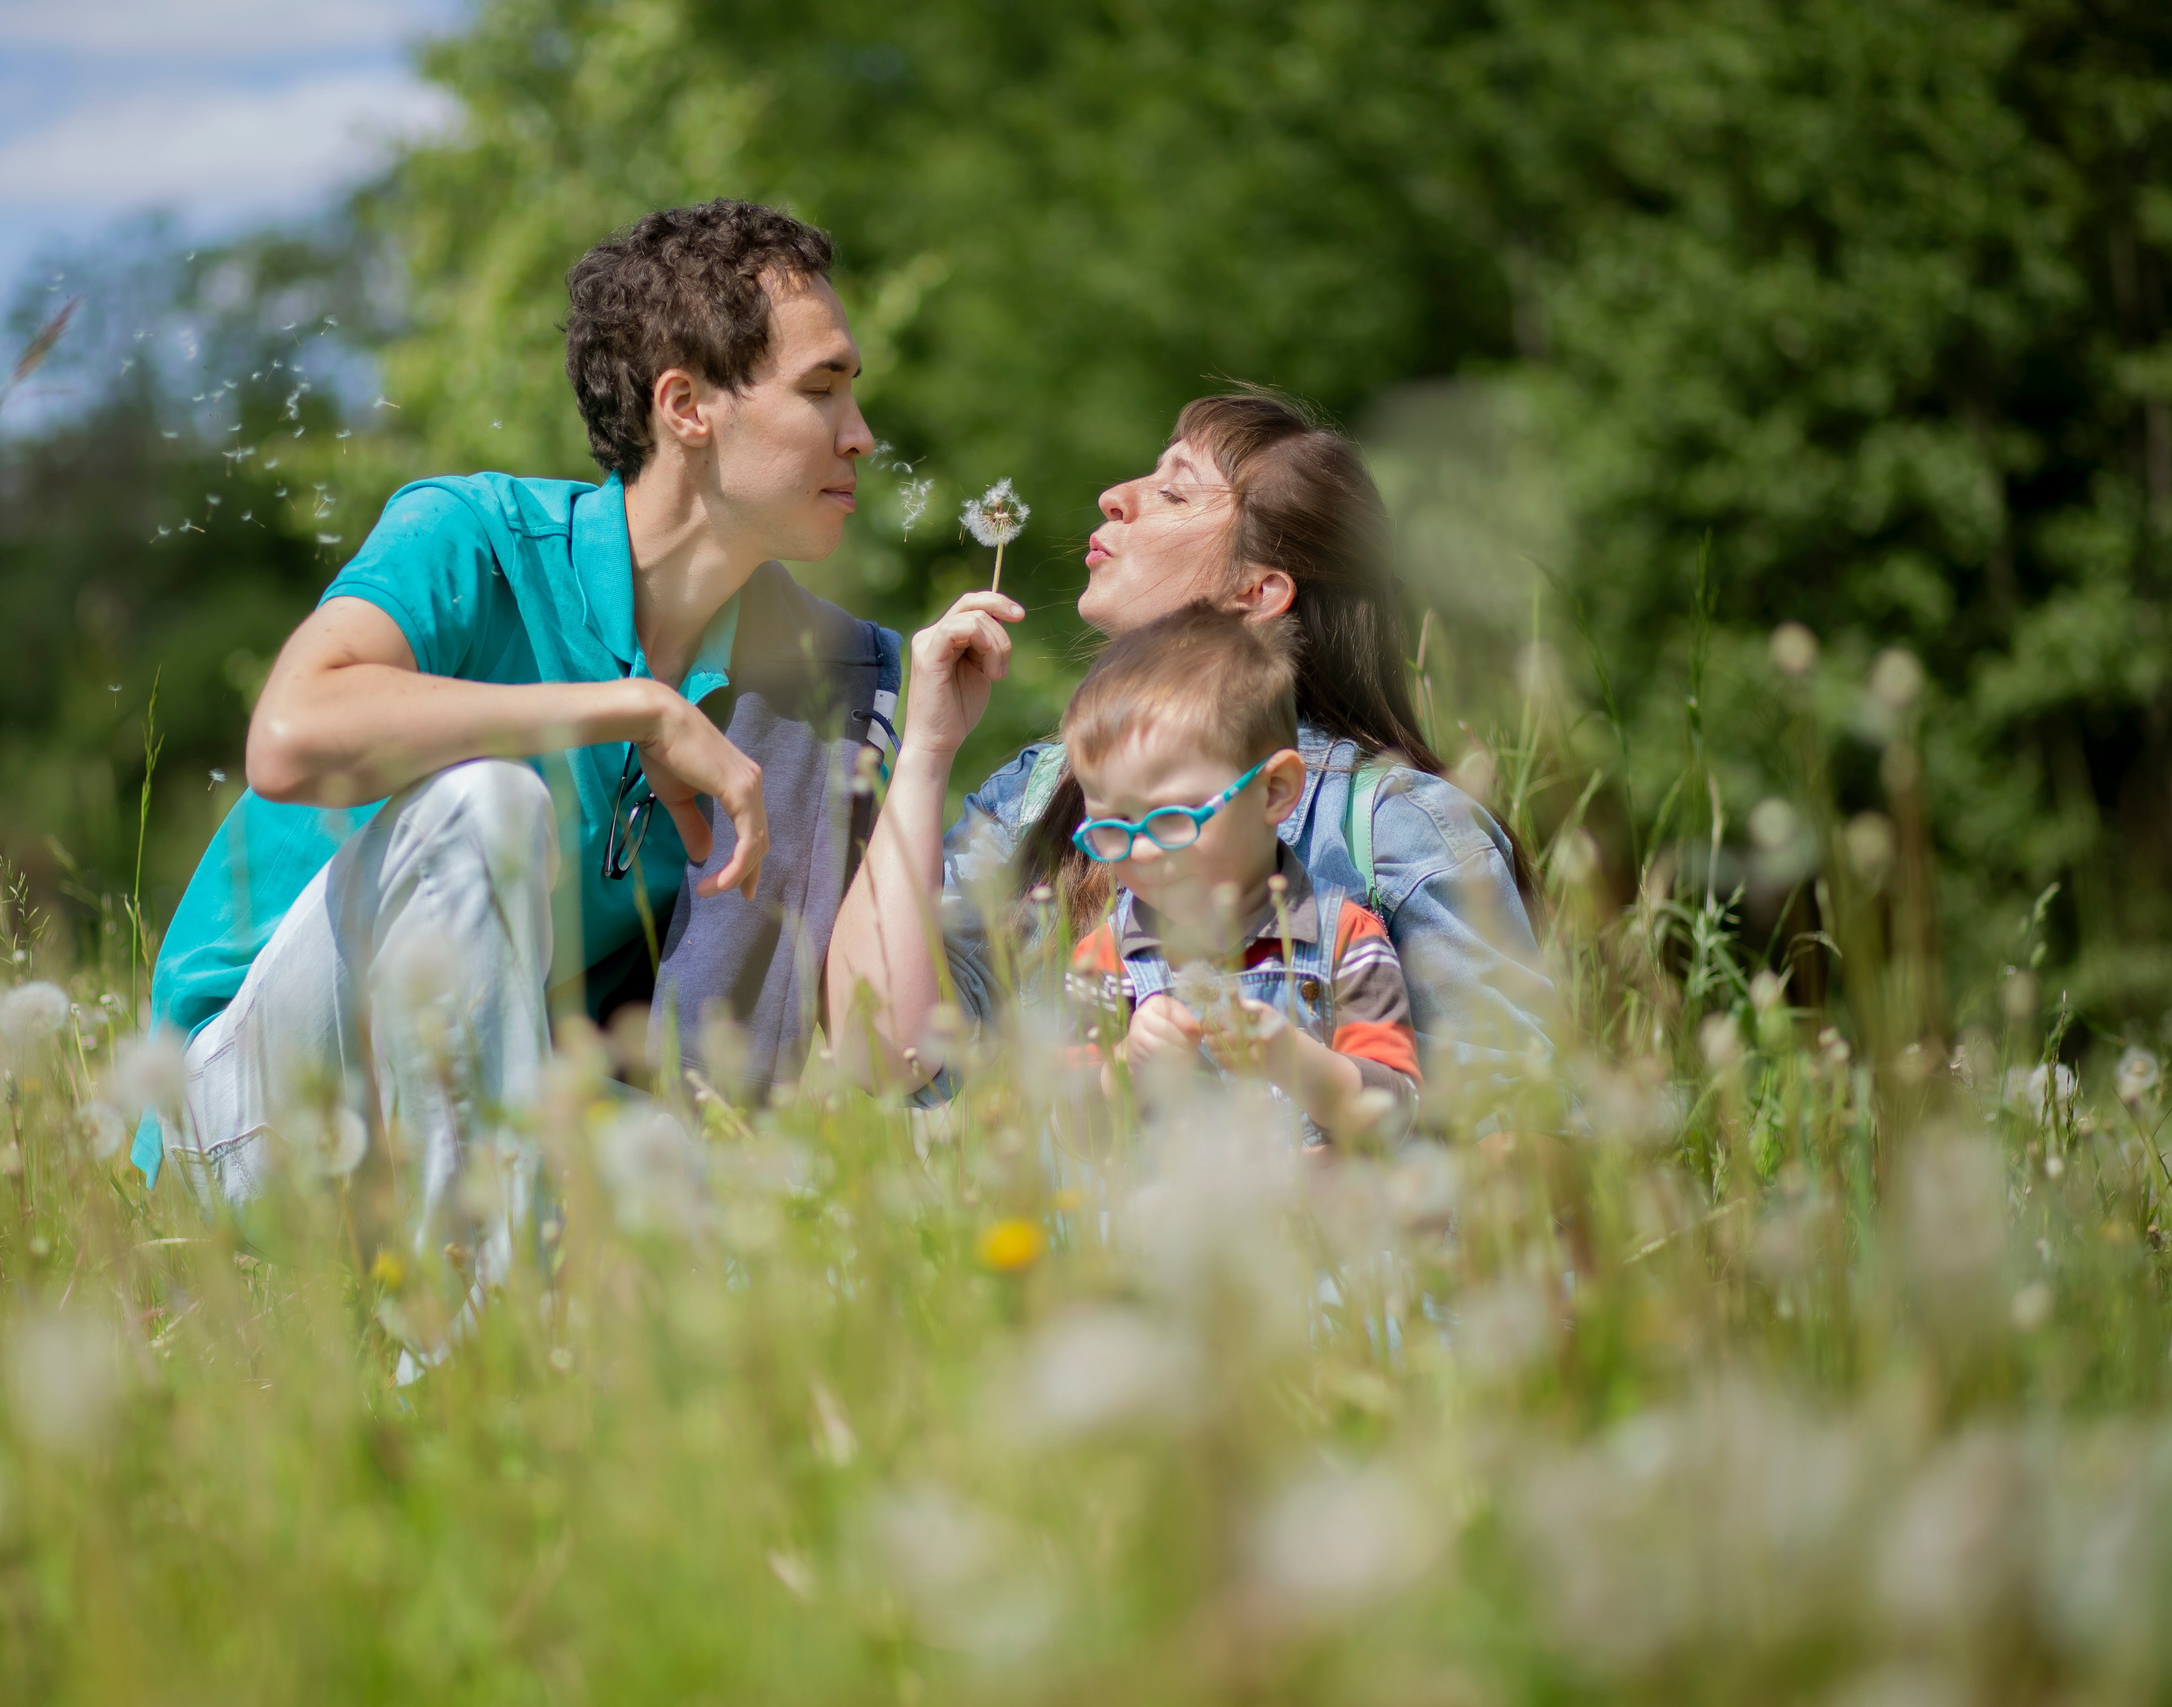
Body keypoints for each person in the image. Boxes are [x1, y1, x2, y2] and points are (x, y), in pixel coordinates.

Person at [143, 200, 880, 1248]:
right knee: (486, 802)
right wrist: (630, 710)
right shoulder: (472, 533)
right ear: (686, 407)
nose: (860, 435)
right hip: (257, 1113)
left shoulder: (794, 673)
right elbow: (289, 734)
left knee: (783, 1220)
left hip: (493, 1116)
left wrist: (932, 734)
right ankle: (478, 1345)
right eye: (822, 390)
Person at [827, 388, 1550, 1095]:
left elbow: (1516, 1131)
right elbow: (884, 1055)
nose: (1115, 495)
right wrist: (925, 751)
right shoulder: (1036, 798)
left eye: (1175, 494)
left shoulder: (1395, 826)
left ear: (1259, 591)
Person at [1057, 607, 1420, 1144]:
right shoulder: (1106, 960)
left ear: (1274, 791)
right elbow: (1073, 1135)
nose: (1143, 851)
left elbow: (1396, 1114)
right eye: (1112, 826)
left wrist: (1300, 1063)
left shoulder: (1341, 937)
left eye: (1173, 817)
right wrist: (1126, 1070)